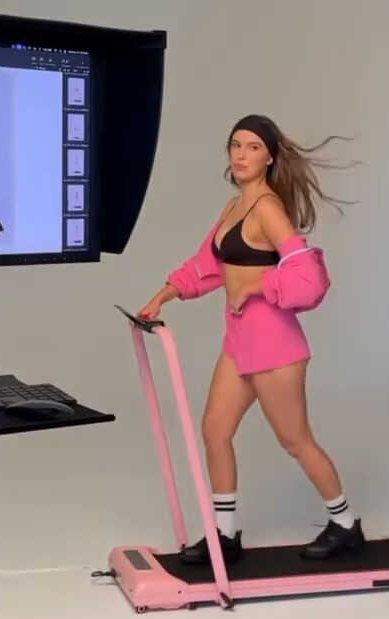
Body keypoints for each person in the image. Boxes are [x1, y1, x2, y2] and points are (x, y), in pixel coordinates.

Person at [137, 114, 364, 564]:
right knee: (215, 431)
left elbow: (310, 279)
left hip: (275, 347)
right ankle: (225, 534)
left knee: (295, 440)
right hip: (239, 342)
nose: (241, 155)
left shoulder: (267, 209)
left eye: (253, 147)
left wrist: (256, 285)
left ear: (270, 158)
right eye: (235, 145)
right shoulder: (235, 205)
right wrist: (162, 297)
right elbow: (206, 266)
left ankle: (345, 524)